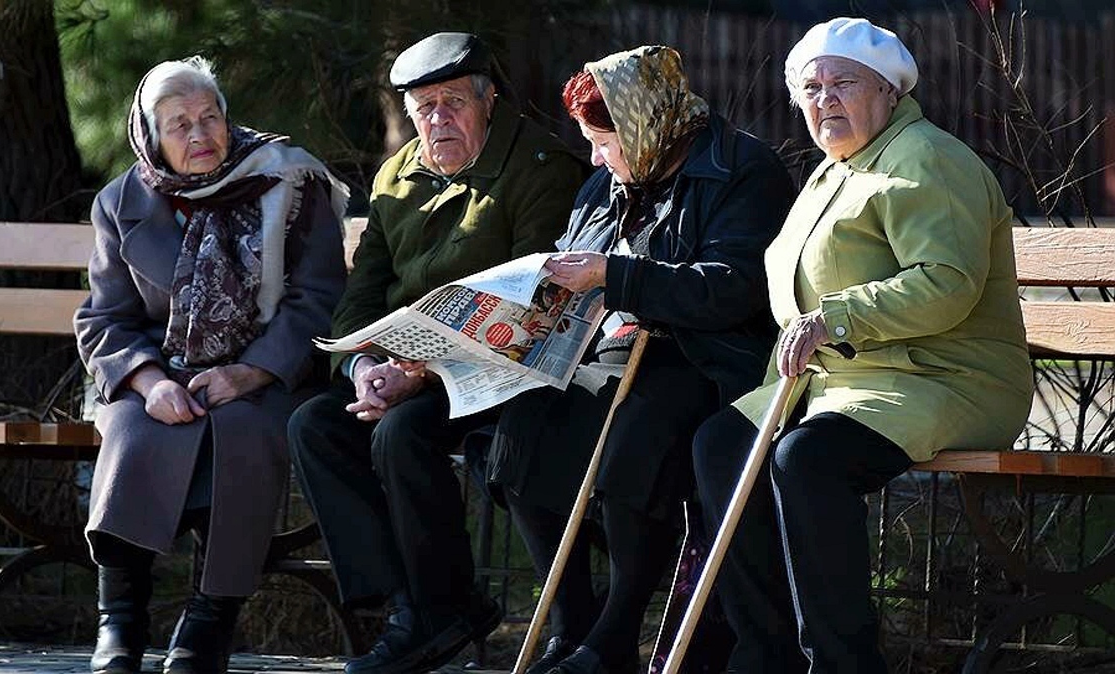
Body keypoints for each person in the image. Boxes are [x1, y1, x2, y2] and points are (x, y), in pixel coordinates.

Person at [692, 17, 1034, 673]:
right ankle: (766, 656)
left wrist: (834, 320)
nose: (825, 100)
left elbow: (946, 282)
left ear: (889, 91)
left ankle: (843, 662)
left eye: (843, 83)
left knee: (807, 459)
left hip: (945, 378)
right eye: (811, 88)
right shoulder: (835, 171)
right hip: (847, 384)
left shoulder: (925, 159)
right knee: (722, 445)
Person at [486, 45, 795, 674]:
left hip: (707, 361)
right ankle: (572, 627)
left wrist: (615, 276)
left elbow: (732, 287)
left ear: (644, 125)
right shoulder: (607, 182)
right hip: (611, 354)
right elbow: (576, 256)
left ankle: (614, 637)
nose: (596, 159)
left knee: (638, 436)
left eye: (604, 142)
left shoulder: (743, 170)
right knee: (523, 429)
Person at [286, 32, 587, 674]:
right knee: (314, 425)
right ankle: (412, 606)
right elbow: (362, 293)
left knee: (401, 433)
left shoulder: (540, 167)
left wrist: (420, 374)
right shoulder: (396, 175)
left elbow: (538, 304)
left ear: (489, 100)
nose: (438, 120)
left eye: (454, 102)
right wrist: (363, 366)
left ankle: (439, 609)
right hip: (406, 371)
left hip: (503, 372)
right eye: (424, 108)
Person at [75, 56, 348, 674]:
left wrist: (250, 372)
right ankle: (119, 621)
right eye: (179, 125)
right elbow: (106, 318)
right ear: (150, 136)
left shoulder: (287, 180)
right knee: (132, 431)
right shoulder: (120, 201)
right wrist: (147, 382)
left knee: (242, 431)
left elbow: (318, 299)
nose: (200, 135)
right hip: (157, 372)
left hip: (266, 371)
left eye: (210, 117)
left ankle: (210, 618)